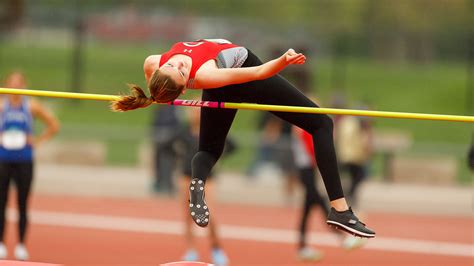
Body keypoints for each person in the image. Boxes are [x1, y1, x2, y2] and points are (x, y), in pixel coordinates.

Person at [110, 38, 375, 238]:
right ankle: (340, 210)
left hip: (224, 83)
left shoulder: (153, 62)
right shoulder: (205, 74)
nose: (177, 63)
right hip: (247, 73)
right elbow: (258, 74)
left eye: (171, 64)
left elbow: (153, 82)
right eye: (180, 72)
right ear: (184, 85)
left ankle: (197, 182)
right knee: (321, 123)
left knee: (210, 150)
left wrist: (159, 95)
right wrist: (285, 60)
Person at [0, 71, 60, 260]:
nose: (15, 87)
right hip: (3, 160)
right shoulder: (2, 106)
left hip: (25, 160)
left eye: (19, 84)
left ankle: (21, 245)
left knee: (22, 204)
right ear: (6, 85)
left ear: (24, 86)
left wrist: (37, 140)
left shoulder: (31, 105)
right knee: (1, 203)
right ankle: (1, 243)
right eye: (12, 83)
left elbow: (53, 124)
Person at [179, 104, 233, 266]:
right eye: (193, 110)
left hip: (207, 178)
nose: (196, 113)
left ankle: (217, 249)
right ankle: (191, 250)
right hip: (186, 176)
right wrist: (179, 157)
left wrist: (219, 157)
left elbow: (231, 144)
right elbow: (167, 145)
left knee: (211, 215)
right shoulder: (184, 132)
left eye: (198, 110)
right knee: (187, 214)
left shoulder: (210, 131)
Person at [150, 104, 185, 195]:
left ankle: (168, 184)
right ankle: (159, 183)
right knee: (158, 162)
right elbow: (155, 121)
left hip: (170, 139)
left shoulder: (176, 107)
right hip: (159, 138)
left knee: (170, 162)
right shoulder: (160, 106)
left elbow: (178, 123)